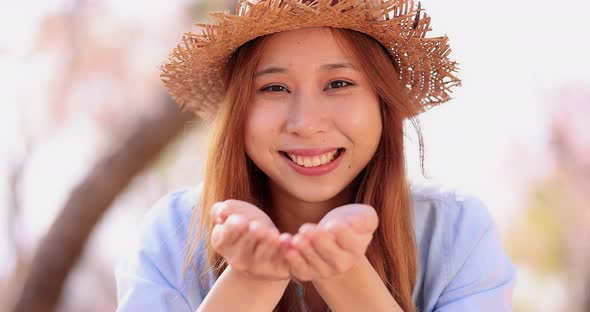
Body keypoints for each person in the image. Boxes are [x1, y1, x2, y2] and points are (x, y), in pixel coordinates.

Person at [115, 1, 516, 311]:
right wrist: (250, 282)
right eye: (273, 88)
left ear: (382, 102)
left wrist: (346, 276)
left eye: (338, 83)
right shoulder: (173, 233)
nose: (306, 123)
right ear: (238, 108)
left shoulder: (457, 230)